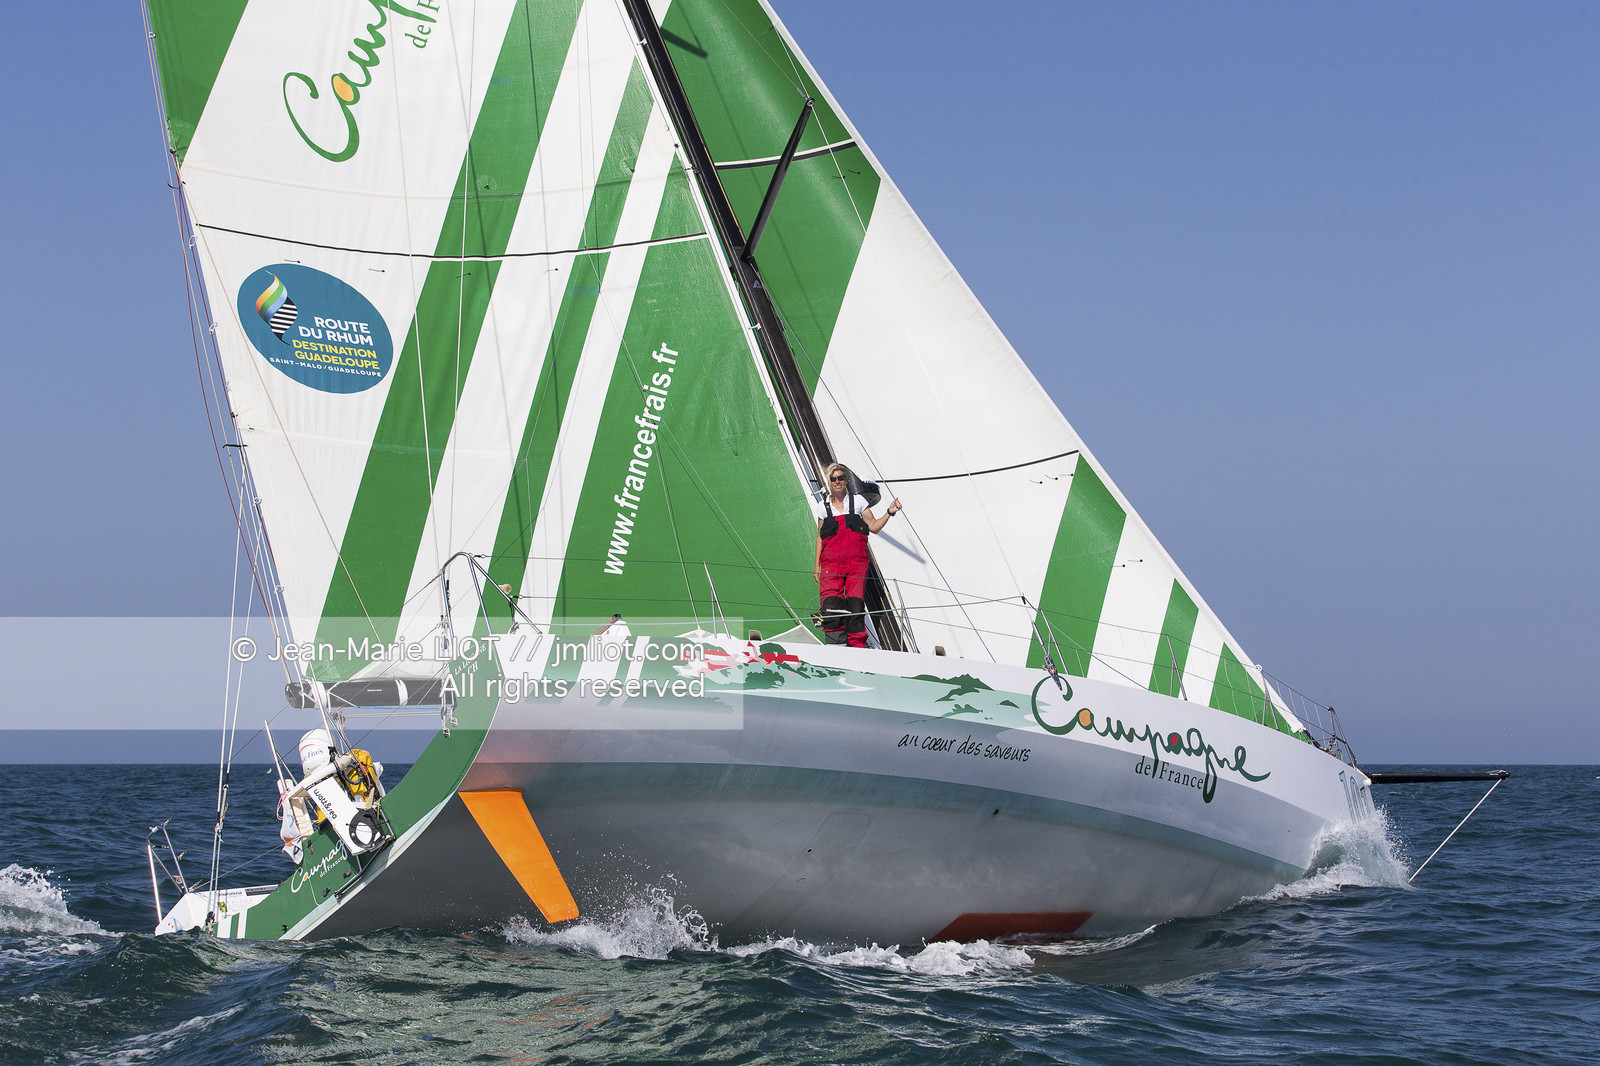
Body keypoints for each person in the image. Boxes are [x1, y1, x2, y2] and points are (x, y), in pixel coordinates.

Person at [814, 462, 901, 647]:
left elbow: (874, 527)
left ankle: (857, 648)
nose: (837, 481)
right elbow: (820, 538)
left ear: (846, 480)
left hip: (856, 563)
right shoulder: (823, 506)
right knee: (830, 606)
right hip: (831, 565)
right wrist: (816, 566)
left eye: (841, 478)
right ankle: (836, 647)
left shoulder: (859, 502)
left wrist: (889, 512)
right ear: (829, 482)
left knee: (855, 607)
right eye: (834, 479)